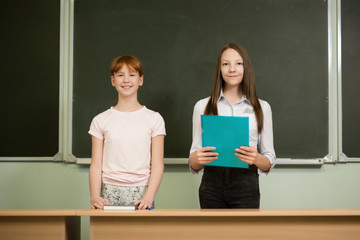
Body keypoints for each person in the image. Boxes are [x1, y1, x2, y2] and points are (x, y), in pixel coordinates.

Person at [188, 42, 276, 209]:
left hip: (246, 183)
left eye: (238, 63)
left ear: (246, 68)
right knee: (212, 235)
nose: (232, 69)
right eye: (226, 64)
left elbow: (269, 159)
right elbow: (194, 160)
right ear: (220, 69)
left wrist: (256, 158)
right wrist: (196, 159)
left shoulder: (262, 107)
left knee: (244, 235)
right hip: (211, 184)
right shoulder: (202, 106)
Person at [88, 55, 166, 210]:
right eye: (120, 75)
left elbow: (157, 164)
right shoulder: (101, 120)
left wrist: (149, 197)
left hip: (142, 193)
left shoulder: (154, 119)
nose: (126, 80)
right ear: (113, 81)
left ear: (140, 80)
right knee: (107, 234)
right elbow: (96, 165)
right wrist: (95, 196)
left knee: (140, 234)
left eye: (132, 75)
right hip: (108, 193)